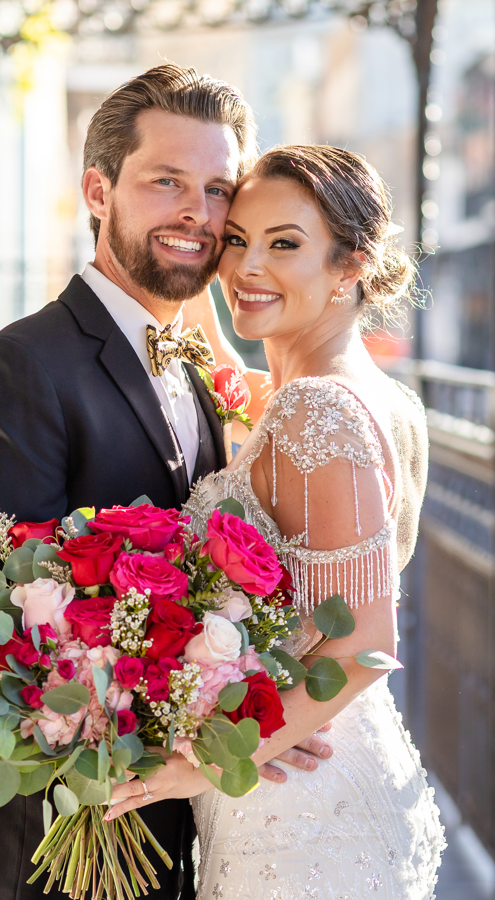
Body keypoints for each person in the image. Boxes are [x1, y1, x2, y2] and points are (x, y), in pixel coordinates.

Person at [0, 65, 332, 900]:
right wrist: (226, 730)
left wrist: (258, 712)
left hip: (176, 826)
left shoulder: (199, 370)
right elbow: (8, 629)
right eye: (166, 182)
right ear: (98, 190)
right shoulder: (17, 371)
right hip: (50, 839)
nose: (198, 212)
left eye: (218, 189)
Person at [106, 145, 446, 899]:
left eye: (284, 244)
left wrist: (198, 763)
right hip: (325, 752)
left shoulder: (316, 409)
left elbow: (365, 646)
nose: (246, 268)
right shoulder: (370, 395)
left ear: (350, 265)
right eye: (237, 240)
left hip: (299, 798)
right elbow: (230, 363)